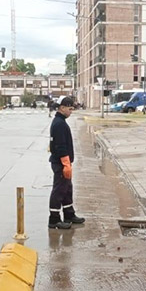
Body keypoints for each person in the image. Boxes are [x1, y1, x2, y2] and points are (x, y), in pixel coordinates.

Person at [48, 97, 86, 229]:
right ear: (62, 107)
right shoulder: (59, 124)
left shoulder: (61, 121)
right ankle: (54, 219)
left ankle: (69, 214)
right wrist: (65, 163)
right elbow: (60, 146)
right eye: (69, 109)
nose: (71, 112)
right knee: (59, 190)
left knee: (67, 189)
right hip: (61, 163)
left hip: (64, 162)